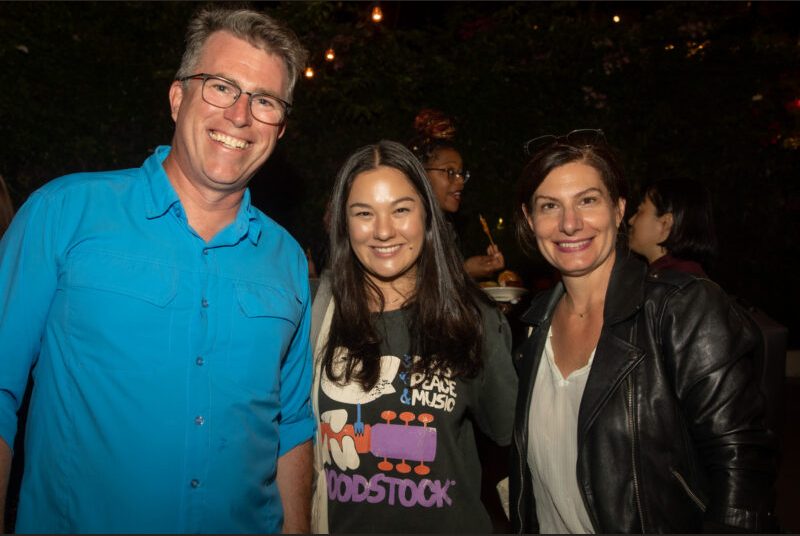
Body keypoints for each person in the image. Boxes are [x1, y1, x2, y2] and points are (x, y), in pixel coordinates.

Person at [0, 7, 314, 533]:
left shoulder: (288, 261)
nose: (240, 115)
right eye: (221, 86)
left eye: (264, 101)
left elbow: (294, 429)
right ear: (177, 98)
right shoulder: (64, 214)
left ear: (279, 128)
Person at [509, 129, 777, 533]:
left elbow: (741, 467)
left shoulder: (680, 310)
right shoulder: (532, 327)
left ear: (618, 210)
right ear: (531, 221)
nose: (569, 223)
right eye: (549, 206)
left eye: (587, 200)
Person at [309, 140, 517, 533]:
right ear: (344, 223)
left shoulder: (474, 320)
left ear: (426, 216)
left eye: (401, 210)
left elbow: (511, 445)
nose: (384, 231)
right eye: (364, 213)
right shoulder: (318, 316)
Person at [408, 109, 505, 280]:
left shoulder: (445, 227)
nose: (460, 181)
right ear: (422, 174)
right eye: (450, 172)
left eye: (461, 173)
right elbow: (414, 289)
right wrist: (465, 272)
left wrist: (467, 267)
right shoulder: (407, 226)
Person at [627, 177, 717, 277]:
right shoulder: (685, 280)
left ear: (665, 224)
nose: (630, 220)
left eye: (640, 210)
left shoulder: (672, 286)